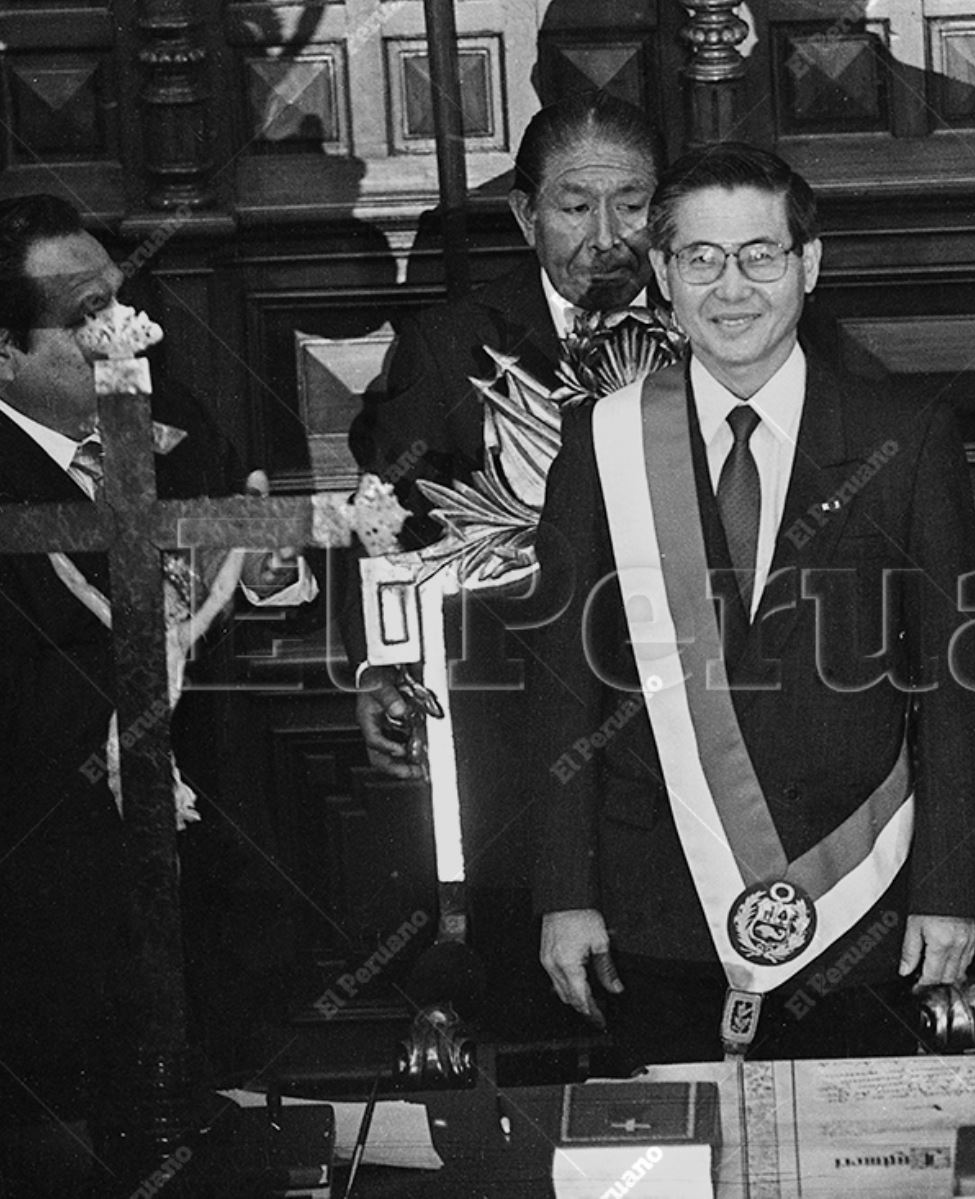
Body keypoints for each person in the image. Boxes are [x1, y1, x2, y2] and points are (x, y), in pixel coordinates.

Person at [0, 193, 312, 1194]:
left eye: (125, 302)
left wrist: (268, 571)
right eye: (87, 316)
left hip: (202, 915)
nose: (128, 332)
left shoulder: (175, 423)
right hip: (37, 950)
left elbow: (231, 592)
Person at [527, 143, 975, 1066]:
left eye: (759, 255)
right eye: (700, 258)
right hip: (655, 905)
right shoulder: (605, 440)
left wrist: (952, 887)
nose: (729, 286)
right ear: (662, 274)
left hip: (862, 898)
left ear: (808, 265)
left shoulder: (905, 433)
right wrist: (561, 891)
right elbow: (560, 681)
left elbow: (956, 684)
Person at [341, 91, 663, 1036]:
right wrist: (382, 668)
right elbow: (385, 528)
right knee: (539, 1027)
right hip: (518, 723)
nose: (607, 236)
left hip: (703, 721)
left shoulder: (722, 322)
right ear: (526, 215)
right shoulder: (447, 349)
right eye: (574, 206)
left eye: (634, 204)